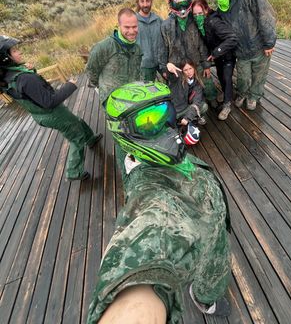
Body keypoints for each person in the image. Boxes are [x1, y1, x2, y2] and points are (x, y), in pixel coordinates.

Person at [87, 81, 231, 324]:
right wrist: (136, 298)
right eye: (148, 122)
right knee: (211, 276)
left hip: (212, 228)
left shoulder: (142, 154)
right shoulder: (153, 195)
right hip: (205, 248)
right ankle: (204, 298)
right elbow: (148, 240)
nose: (166, 127)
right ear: (125, 132)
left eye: (166, 113)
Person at [0, 35, 102, 181]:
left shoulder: (8, 76)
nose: (19, 52)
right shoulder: (25, 78)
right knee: (76, 137)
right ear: (5, 58)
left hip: (40, 114)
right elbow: (49, 101)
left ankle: (91, 139)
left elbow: (28, 92)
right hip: (52, 113)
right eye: (14, 51)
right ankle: (73, 171)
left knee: (75, 122)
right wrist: (70, 86)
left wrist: (31, 70)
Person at [207, 0, 276, 110]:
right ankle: (242, 93)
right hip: (241, 52)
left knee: (259, 76)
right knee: (243, 78)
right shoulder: (221, 10)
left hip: (260, 46)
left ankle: (254, 97)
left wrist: (269, 42)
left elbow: (265, 14)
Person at [158, 0, 217, 104]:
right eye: (178, 5)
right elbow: (162, 48)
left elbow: (202, 44)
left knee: (208, 84)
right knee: (180, 94)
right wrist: (164, 68)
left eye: (185, 4)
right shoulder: (166, 25)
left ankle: (213, 101)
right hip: (177, 67)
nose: (182, 9)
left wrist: (206, 64)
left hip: (196, 64)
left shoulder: (195, 19)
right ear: (171, 3)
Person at [86, 8, 142, 106]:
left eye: (134, 26)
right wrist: (103, 89)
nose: (132, 31)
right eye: (127, 27)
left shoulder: (137, 48)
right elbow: (91, 71)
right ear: (119, 26)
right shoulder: (103, 47)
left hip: (132, 97)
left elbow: (137, 72)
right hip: (111, 100)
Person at [192, 0, 237, 120]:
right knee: (222, 77)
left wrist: (217, 51)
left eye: (200, 13)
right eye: (195, 14)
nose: (197, 17)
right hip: (217, 57)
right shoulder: (201, 24)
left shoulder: (213, 22)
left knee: (227, 79)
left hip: (227, 55)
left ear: (206, 10)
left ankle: (227, 105)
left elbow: (232, 38)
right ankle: (226, 94)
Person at [166, 59, 208, 127]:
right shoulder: (177, 77)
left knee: (204, 106)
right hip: (173, 110)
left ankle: (191, 118)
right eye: (185, 70)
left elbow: (196, 102)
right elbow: (170, 76)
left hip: (185, 109)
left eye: (190, 68)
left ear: (194, 68)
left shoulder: (197, 83)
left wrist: (187, 118)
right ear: (182, 70)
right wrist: (169, 67)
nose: (189, 72)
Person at [135, 0, 163, 82]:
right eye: (142, 1)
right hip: (144, 66)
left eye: (147, 1)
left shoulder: (158, 20)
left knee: (171, 85)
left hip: (161, 62)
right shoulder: (133, 22)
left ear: (151, 1)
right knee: (147, 91)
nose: (145, 4)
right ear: (138, 3)